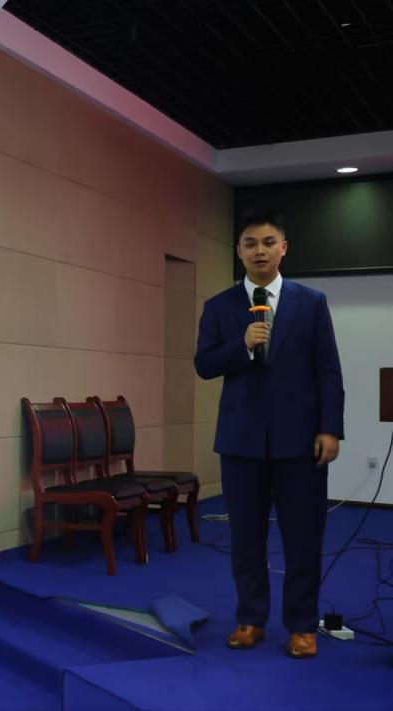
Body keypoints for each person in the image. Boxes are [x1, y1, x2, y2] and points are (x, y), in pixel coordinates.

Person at [194, 209, 344, 659]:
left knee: (303, 537)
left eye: (267, 242)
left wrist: (330, 428)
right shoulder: (219, 306)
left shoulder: (310, 302)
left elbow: (328, 369)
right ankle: (250, 619)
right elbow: (204, 365)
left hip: (301, 441)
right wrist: (241, 345)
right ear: (239, 251)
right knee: (245, 537)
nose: (259, 251)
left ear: (283, 248)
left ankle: (302, 625)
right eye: (250, 244)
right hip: (240, 441)